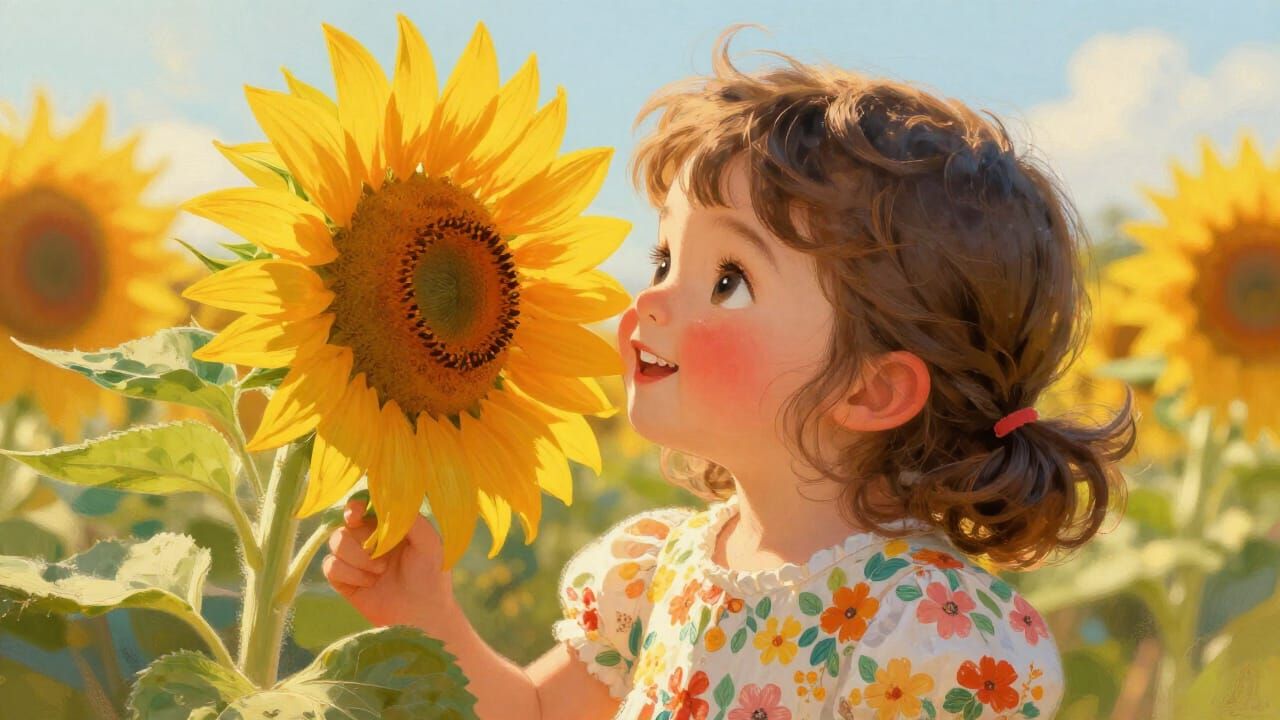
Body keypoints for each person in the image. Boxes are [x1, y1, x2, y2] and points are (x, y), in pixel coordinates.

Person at [323, 27, 1135, 720]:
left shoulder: (930, 638)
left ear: (871, 389)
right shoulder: (654, 572)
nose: (652, 298)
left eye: (727, 280)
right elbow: (536, 710)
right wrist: (424, 613)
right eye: (666, 255)